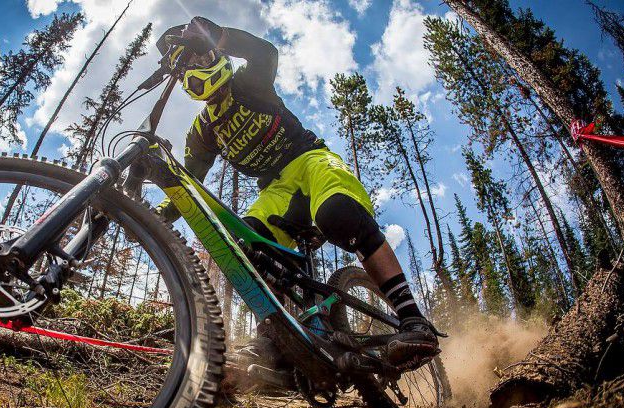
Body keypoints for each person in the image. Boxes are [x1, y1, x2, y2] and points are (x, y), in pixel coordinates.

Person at [156, 17, 439, 369]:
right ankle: (273, 342)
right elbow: (189, 181)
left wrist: (217, 34)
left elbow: (264, 52)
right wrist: (157, 216)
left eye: (200, 59)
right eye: (188, 69)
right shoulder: (203, 130)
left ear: (216, 55)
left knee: (339, 213)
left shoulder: (250, 83)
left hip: (309, 161)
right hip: (277, 191)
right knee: (247, 251)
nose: (196, 70)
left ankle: (413, 320)